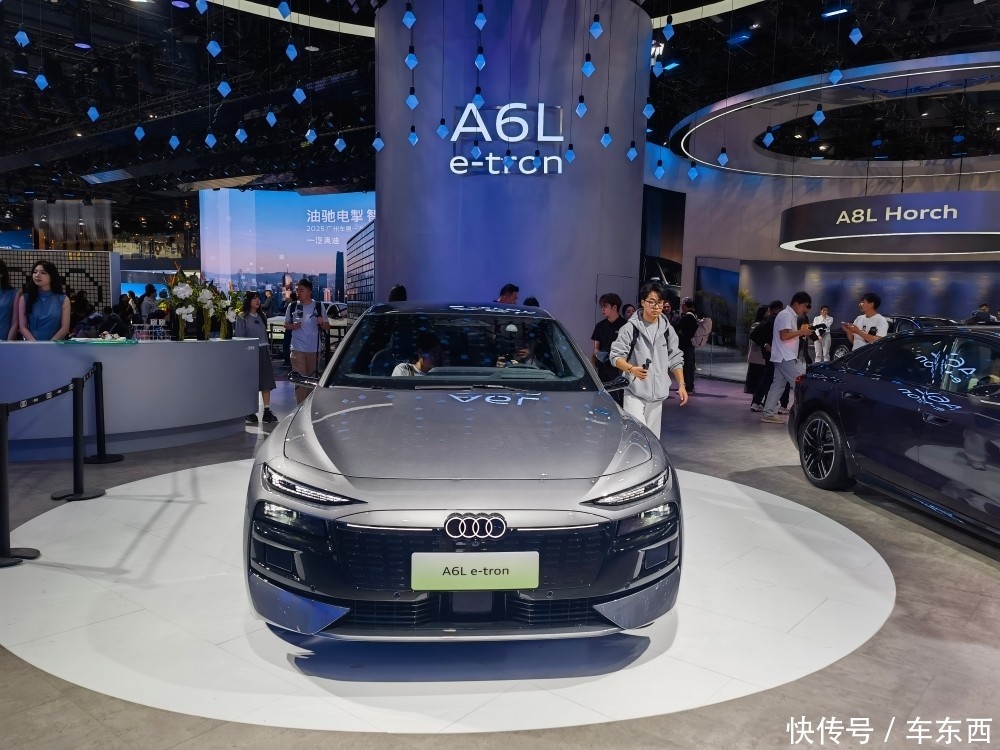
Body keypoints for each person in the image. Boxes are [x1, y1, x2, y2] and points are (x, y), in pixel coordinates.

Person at [609, 281, 688, 437]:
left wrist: (681, 384)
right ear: (642, 302)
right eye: (651, 302)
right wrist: (631, 369)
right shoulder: (630, 328)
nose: (656, 306)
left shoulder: (667, 330)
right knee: (638, 437)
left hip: (657, 397)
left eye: (660, 302)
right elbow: (615, 356)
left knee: (652, 440)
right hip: (634, 393)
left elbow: (676, 358)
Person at [761, 292, 813, 423]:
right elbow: (783, 336)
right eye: (804, 306)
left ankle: (768, 413)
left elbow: (786, 335)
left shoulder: (788, 315)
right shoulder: (786, 315)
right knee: (802, 384)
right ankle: (805, 414)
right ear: (796, 303)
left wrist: (800, 332)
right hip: (786, 356)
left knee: (778, 385)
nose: (805, 309)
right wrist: (801, 332)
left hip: (782, 356)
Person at [284, 278, 332, 403]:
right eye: (297, 290)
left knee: (312, 381)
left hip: (314, 349)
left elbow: (327, 326)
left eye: (301, 290)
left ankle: (310, 407)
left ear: (309, 292)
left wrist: (321, 323)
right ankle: (300, 407)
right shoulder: (292, 306)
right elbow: (286, 324)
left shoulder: (318, 306)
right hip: (297, 348)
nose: (298, 293)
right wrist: (293, 326)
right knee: (300, 381)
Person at [236, 291, 278, 425]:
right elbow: (240, 338)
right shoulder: (242, 317)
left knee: (266, 381)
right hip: (249, 353)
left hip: (263, 350)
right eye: (254, 298)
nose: (257, 301)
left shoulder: (262, 316)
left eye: (259, 298)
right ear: (248, 300)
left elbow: (264, 336)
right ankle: (250, 411)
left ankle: (267, 411)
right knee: (251, 383)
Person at [18, 261, 71, 341]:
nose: (37, 275)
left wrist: (49, 345)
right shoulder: (25, 298)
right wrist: (36, 345)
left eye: (43, 273)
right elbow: (23, 327)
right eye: (35, 272)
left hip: (56, 345)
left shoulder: (63, 299)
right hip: (32, 345)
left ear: (52, 277)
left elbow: (65, 328)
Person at [591, 293, 627, 406]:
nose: (602, 309)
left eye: (605, 306)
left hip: (619, 367)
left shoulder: (625, 326)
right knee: (602, 396)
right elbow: (596, 348)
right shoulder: (600, 326)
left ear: (614, 307)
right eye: (601, 306)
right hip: (602, 365)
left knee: (618, 398)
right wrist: (599, 355)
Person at [744, 304, 769, 403]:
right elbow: (756, 339)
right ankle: (755, 402)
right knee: (756, 381)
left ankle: (758, 401)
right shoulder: (757, 325)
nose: (769, 313)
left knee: (761, 380)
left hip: (761, 358)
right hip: (757, 357)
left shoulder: (763, 324)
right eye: (768, 311)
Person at [675, 296, 699, 395]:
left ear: (685, 305)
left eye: (682, 304)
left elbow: (676, 327)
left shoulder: (687, 317)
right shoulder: (694, 315)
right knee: (690, 366)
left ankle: (688, 388)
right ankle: (690, 386)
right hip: (691, 345)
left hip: (685, 345)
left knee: (686, 367)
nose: (681, 306)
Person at [0, 260, 18, 340]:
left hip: (5, 338)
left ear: (1, 274)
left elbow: (15, 323)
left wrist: (8, 343)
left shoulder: (14, 294)